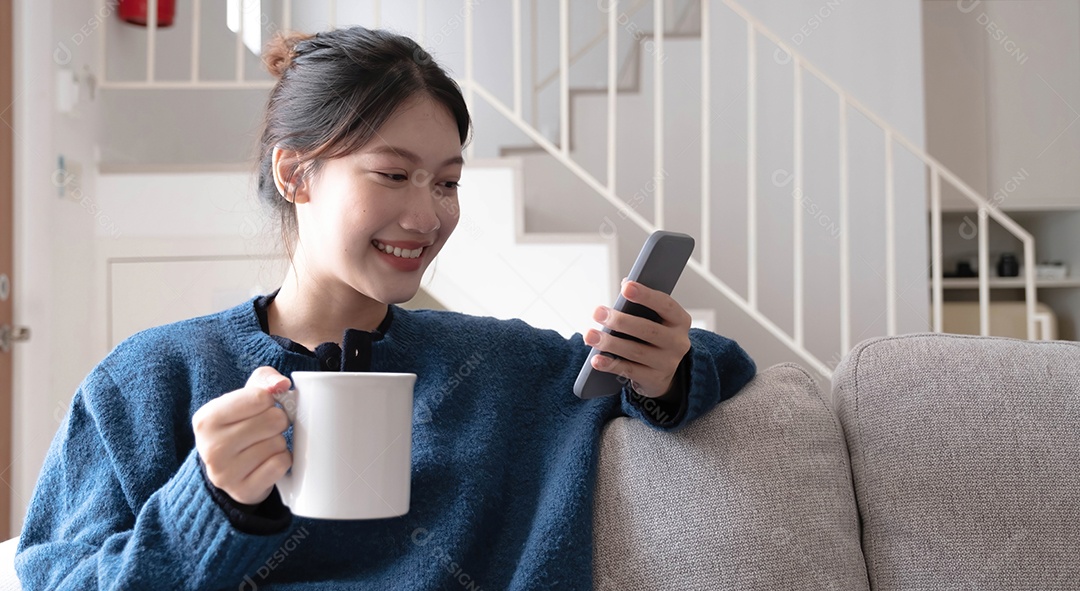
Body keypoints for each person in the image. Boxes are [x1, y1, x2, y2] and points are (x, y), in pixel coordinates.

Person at [15, 26, 756, 590]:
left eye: (446, 182)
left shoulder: (497, 367)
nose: (427, 215)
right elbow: (57, 575)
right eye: (393, 173)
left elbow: (719, 365)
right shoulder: (151, 377)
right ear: (296, 173)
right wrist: (212, 504)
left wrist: (667, 368)